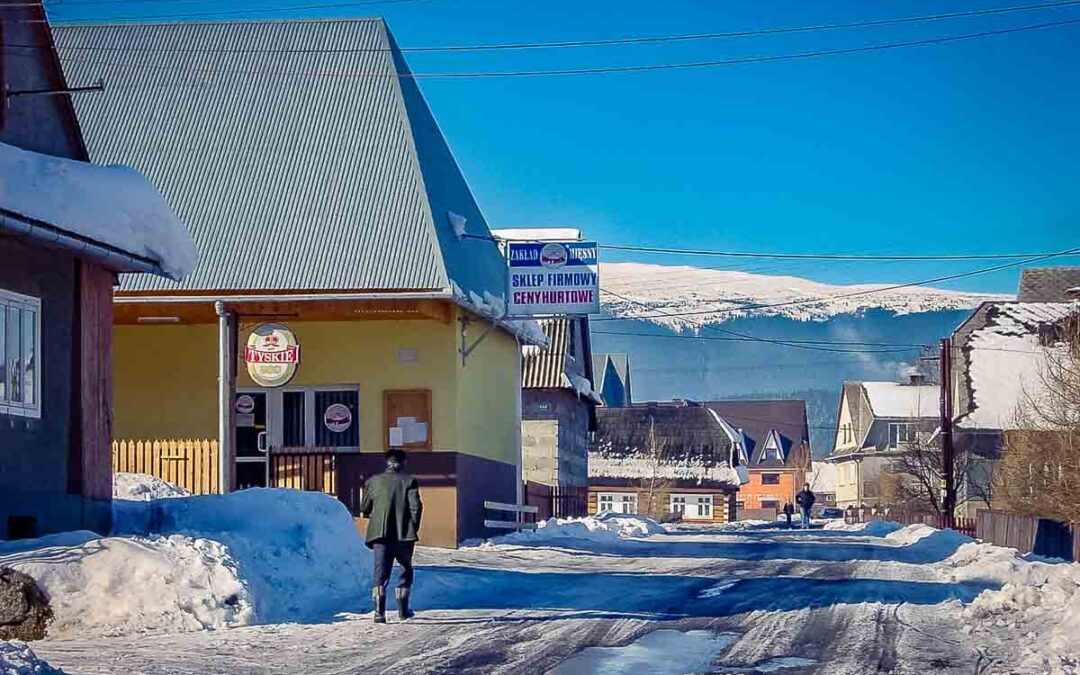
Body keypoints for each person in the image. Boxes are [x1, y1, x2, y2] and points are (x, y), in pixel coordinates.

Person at [361, 448, 423, 624]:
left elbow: (364, 507)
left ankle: (379, 613)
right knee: (405, 570)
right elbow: (416, 508)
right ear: (403, 463)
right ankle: (403, 610)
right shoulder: (409, 481)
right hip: (404, 535)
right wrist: (412, 527)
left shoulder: (373, 481)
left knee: (380, 572)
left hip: (380, 535)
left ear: (387, 463)